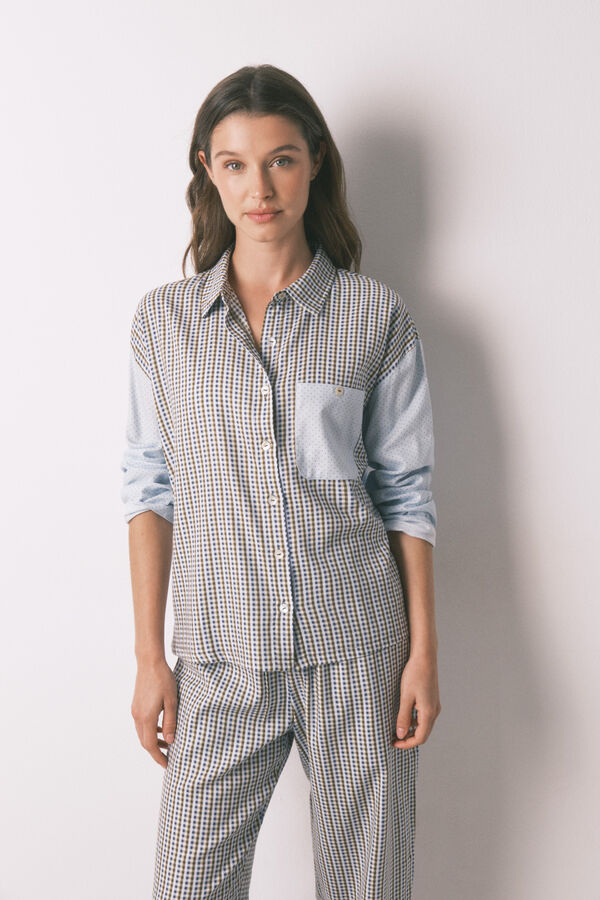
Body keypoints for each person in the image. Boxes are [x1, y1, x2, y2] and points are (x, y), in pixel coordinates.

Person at [121, 63, 441, 900]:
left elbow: (406, 494)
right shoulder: (163, 324)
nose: (259, 188)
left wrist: (422, 655)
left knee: (368, 887)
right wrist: (150, 658)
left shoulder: (375, 317)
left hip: (357, 651)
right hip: (220, 656)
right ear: (207, 169)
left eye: (281, 160)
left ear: (316, 161)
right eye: (235, 164)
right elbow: (150, 492)